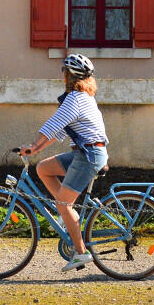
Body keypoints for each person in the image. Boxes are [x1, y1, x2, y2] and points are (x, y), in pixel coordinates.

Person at [20, 54, 109, 272]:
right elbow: (59, 129)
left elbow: (54, 123)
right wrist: (37, 149)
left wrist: (33, 143)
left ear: (68, 75)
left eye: (63, 71)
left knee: (63, 203)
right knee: (43, 168)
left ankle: (81, 253)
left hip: (89, 156)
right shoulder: (83, 97)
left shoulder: (76, 98)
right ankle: (67, 215)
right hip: (85, 153)